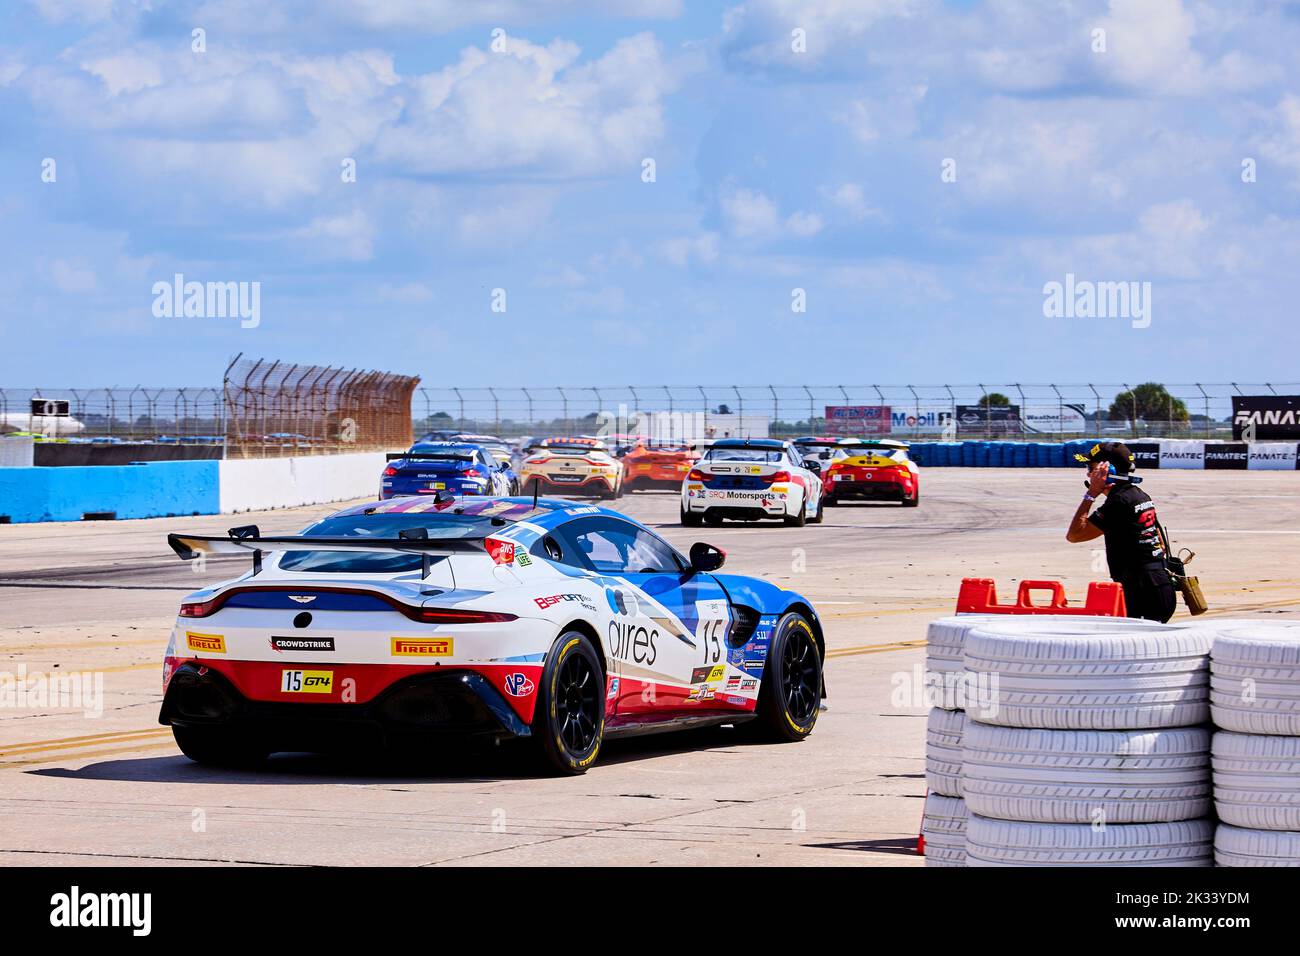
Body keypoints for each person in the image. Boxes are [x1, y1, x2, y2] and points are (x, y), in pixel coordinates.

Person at [1065, 442, 1176, 623]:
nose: (1088, 474)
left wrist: (1091, 494)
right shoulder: (1139, 495)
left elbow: (1075, 534)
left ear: (1108, 470)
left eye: (1091, 468)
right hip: (1157, 586)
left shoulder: (1119, 503)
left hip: (1142, 592)